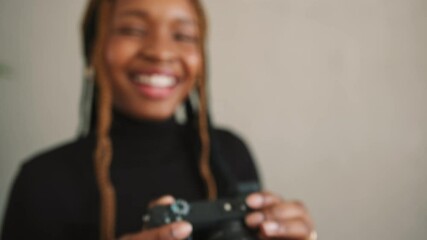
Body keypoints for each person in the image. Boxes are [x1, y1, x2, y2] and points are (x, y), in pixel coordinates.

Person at [1, 0, 316, 239]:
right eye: (133, 30)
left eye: (183, 35)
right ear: (92, 49)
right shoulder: (41, 181)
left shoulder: (231, 153)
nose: (161, 51)